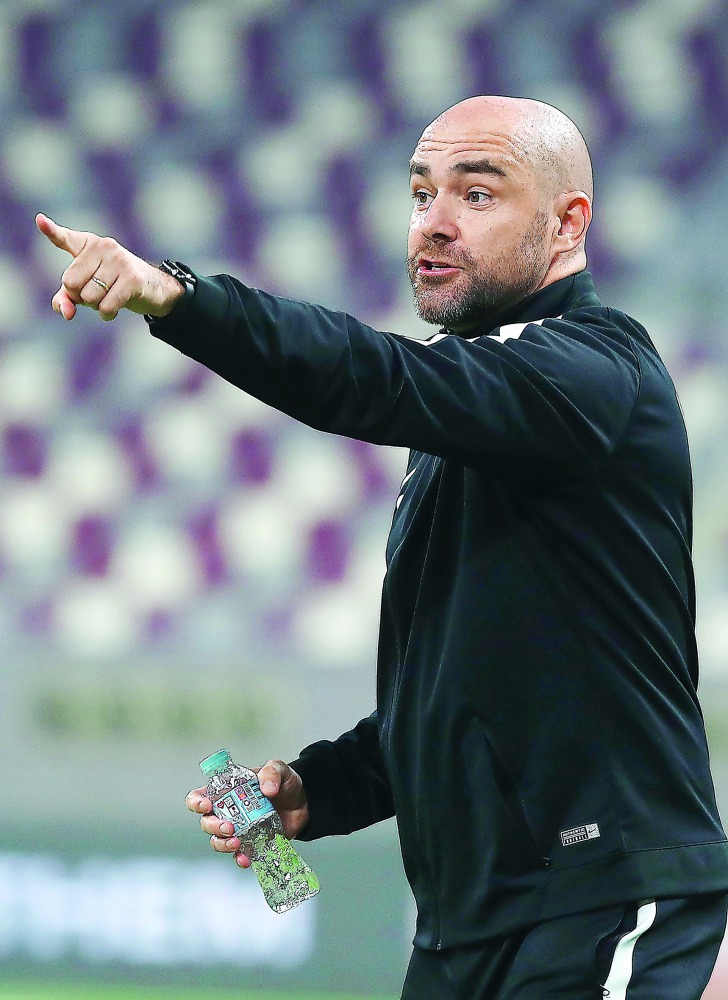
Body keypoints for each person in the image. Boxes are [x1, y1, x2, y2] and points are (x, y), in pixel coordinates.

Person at [37, 95, 728, 999]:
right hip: (465, 929)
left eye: (476, 195)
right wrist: (322, 788)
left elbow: (376, 376)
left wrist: (180, 297)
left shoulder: (597, 368)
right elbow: (461, 692)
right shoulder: (469, 423)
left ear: (568, 223)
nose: (433, 222)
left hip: (599, 899)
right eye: (420, 192)